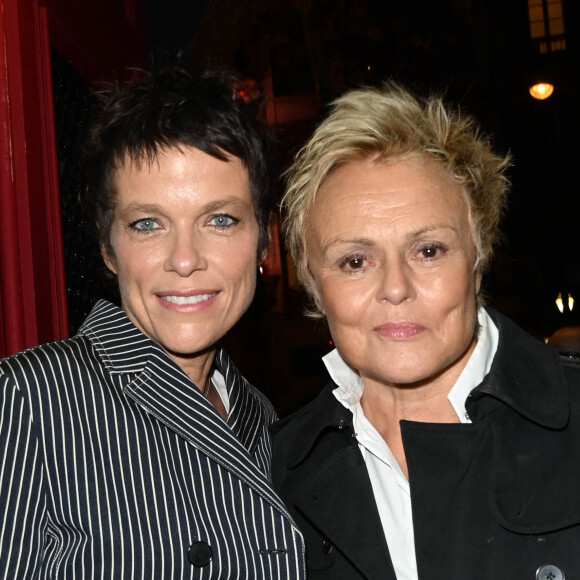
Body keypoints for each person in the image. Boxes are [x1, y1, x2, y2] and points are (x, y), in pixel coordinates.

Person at [0, 67, 305, 579]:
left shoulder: (264, 417)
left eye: (220, 220)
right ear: (107, 247)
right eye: (148, 224)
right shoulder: (28, 401)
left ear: (263, 241)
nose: (184, 259)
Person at [271, 81, 580, 579]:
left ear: (478, 262)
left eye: (428, 251)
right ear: (314, 287)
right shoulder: (270, 475)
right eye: (355, 260)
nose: (396, 287)